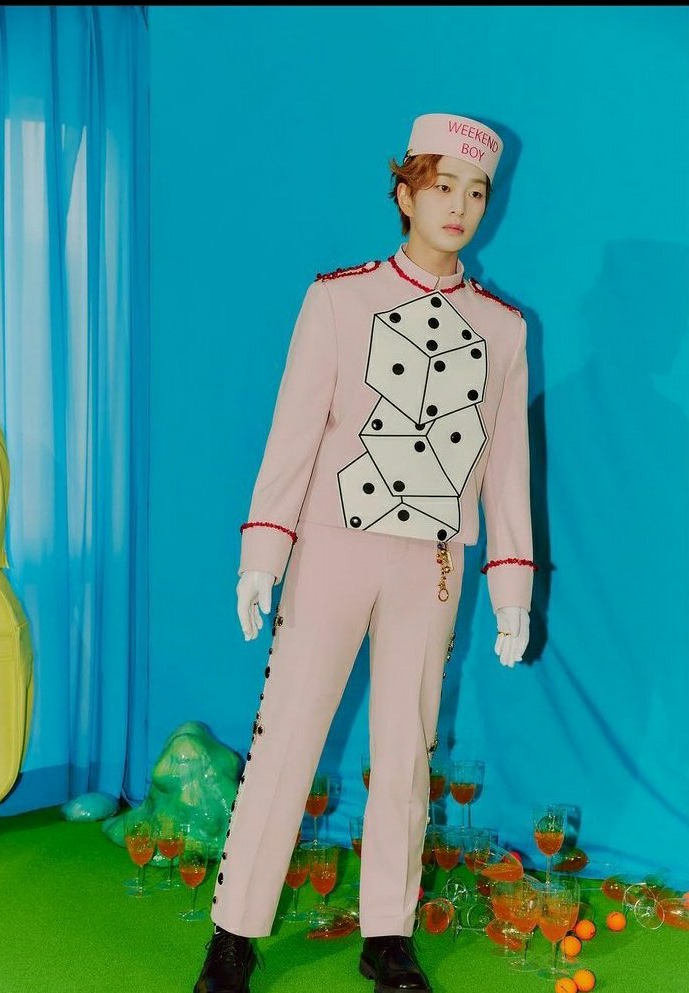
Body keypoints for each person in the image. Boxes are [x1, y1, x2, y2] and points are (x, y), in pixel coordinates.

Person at [193, 112, 536, 993]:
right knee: (286, 737)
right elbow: (292, 435)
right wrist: (263, 553)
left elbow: (505, 467)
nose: (459, 206)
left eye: (475, 192)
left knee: (407, 749)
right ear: (405, 193)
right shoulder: (337, 299)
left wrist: (510, 588)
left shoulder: (503, 328)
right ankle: (234, 932)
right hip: (332, 549)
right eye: (442, 186)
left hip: (432, 563)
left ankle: (388, 931)